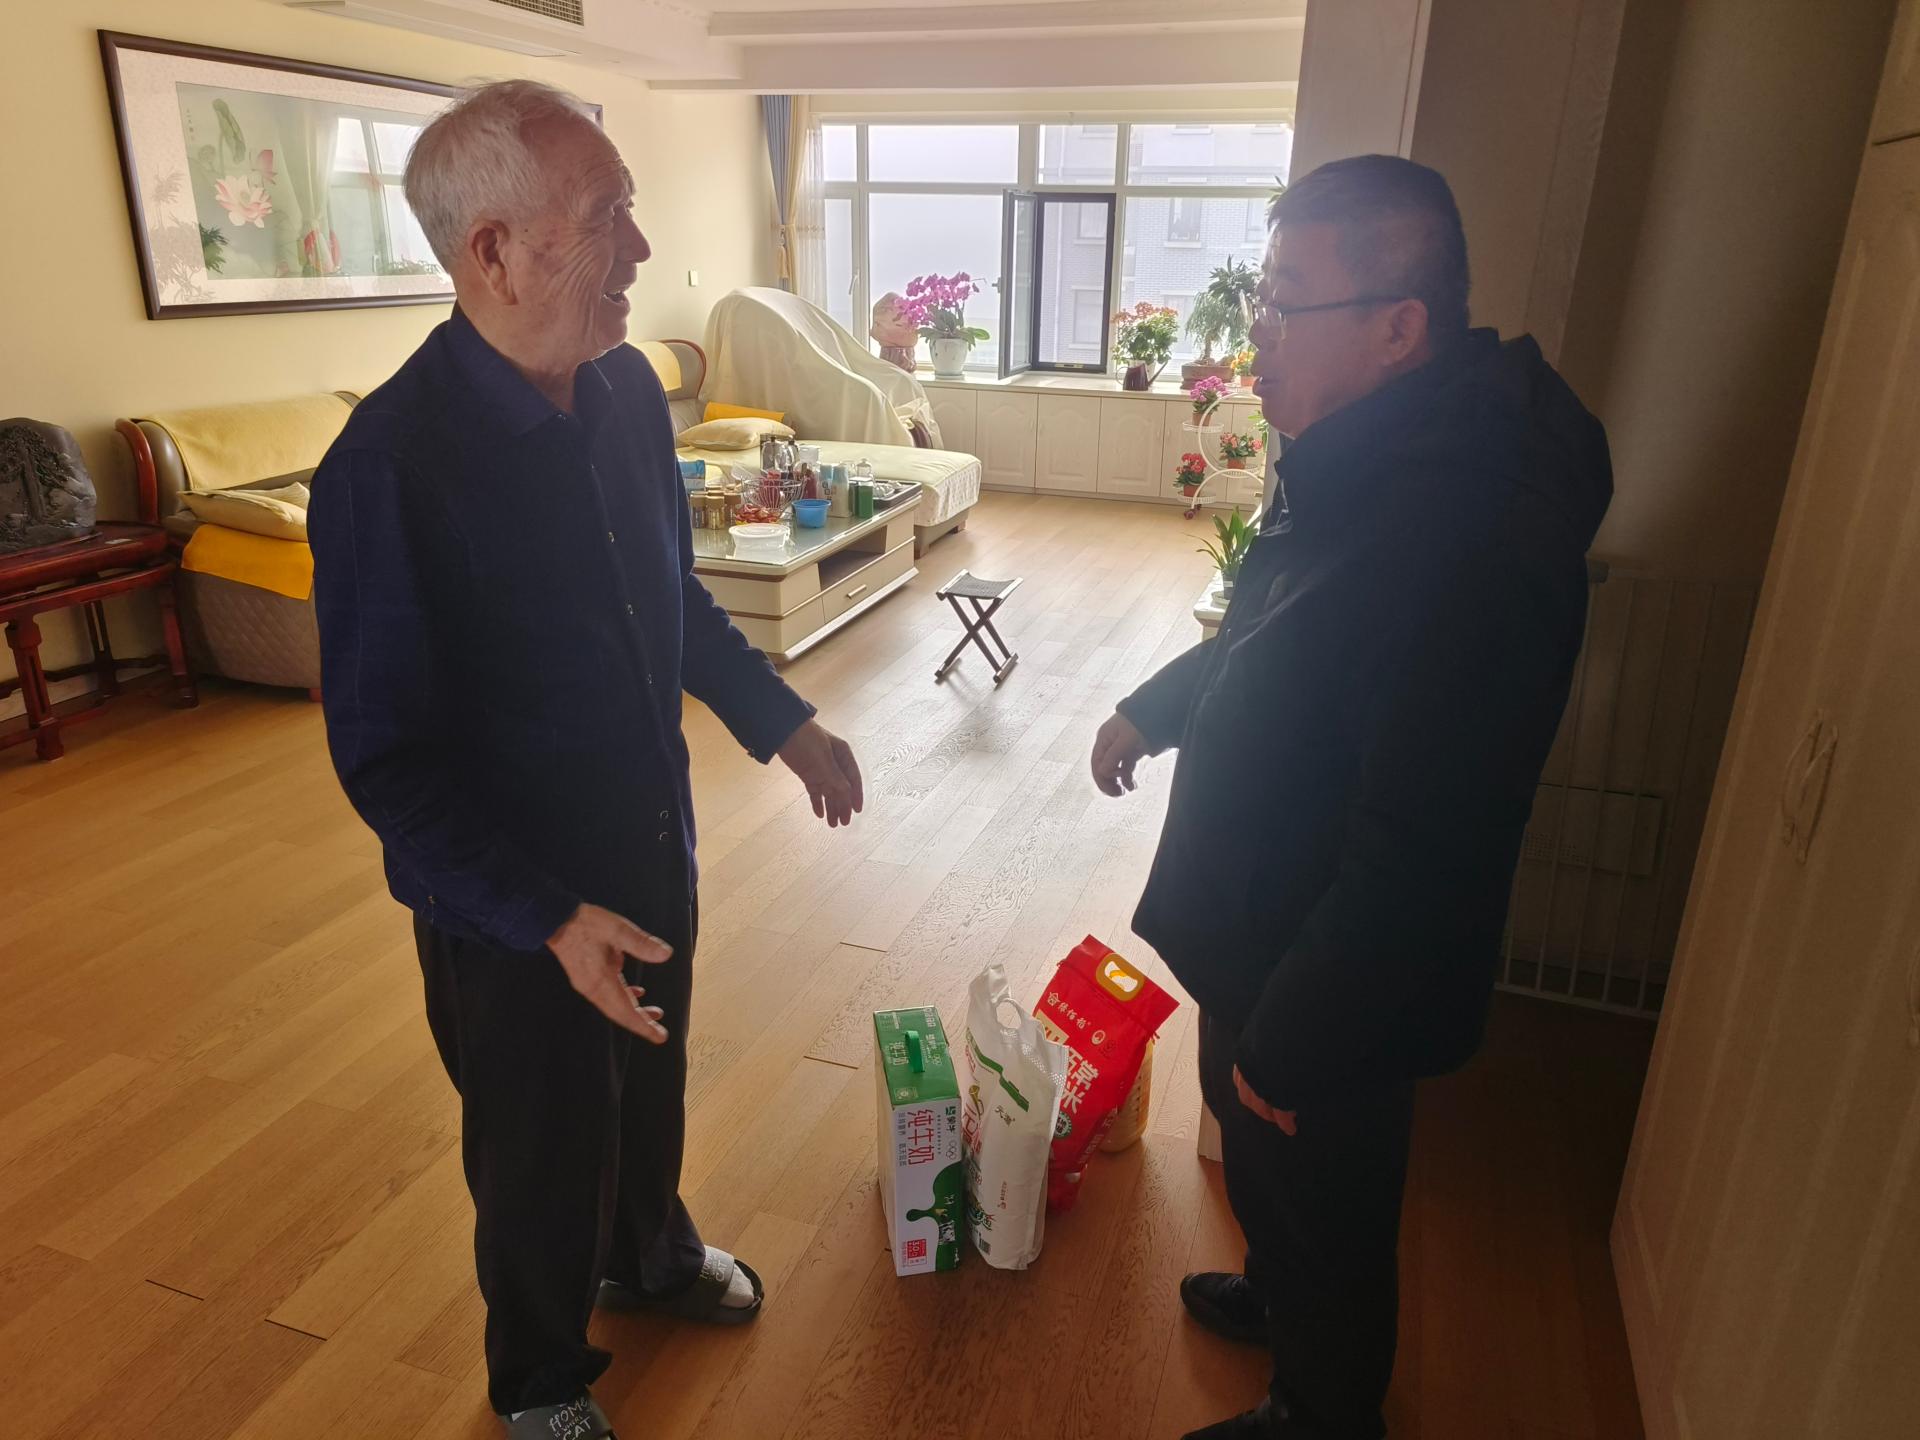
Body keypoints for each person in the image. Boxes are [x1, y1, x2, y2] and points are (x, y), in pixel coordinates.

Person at [308, 80, 864, 1440]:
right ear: (493, 252)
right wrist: (547, 917)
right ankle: (541, 1378)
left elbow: (668, 602)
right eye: (607, 214)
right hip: (511, 904)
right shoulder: (389, 466)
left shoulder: (621, 394)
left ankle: (649, 1256)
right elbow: (387, 763)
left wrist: (782, 722)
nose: (641, 248)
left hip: (646, 831)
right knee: (540, 1139)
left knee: (650, 1073)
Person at [1090, 155, 1613, 1439]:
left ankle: (1324, 1409)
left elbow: (1433, 842)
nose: (1255, 334)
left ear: (1398, 328)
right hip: (1265, 917)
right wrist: (1158, 707)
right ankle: (1281, 1294)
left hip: (1335, 963)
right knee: (1262, 1151)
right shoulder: (1359, 458)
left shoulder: (1471, 532)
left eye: (1284, 305)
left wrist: (1301, 1029)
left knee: (1326, 1186)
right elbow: (1273, 633)